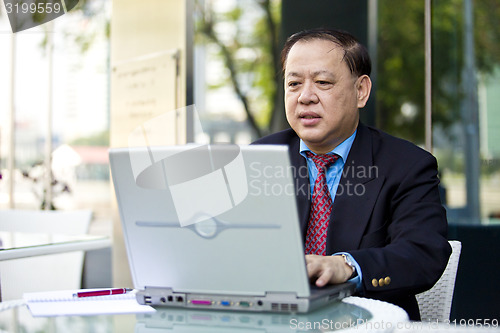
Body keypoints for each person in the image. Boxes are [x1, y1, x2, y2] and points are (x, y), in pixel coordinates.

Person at [253, 28, 451, 320]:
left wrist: (346, 266)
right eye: (293, 83)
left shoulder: (407, 165)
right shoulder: (259, 159)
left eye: (322, 82)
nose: (305, 97)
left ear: (361, 91)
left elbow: (423, 252)